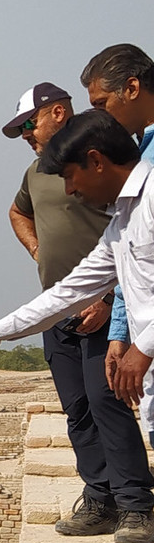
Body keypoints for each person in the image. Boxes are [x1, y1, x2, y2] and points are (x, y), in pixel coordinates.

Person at [0, 84, 154, 543]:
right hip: (64, 310)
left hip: (108, 313)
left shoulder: (114, 175)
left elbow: (120, 260)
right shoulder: (37, 173)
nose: (26, 135)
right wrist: (36, 252)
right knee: (79, 409)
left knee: (108, 401)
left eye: (28, 124)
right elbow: (18, 214)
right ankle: (100, 497)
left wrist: (116, 316)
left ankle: (135, 503)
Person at [81, 44, 154, 388]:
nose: (101, 117)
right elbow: (134, 254)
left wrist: (144, 346)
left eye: (101, 103)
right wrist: (121, 333)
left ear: (132, 88)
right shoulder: (140, 156)